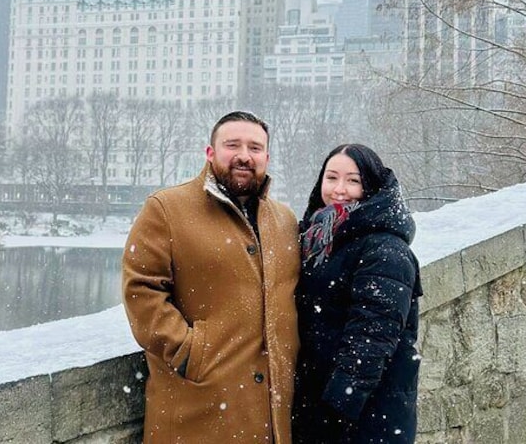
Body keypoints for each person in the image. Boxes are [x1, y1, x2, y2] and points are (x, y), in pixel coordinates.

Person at [122, 111, 301, 443]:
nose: (244, 156)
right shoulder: (167, 208)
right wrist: (191, 353)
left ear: (267, 157)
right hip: (197, 411)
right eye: (232, 145)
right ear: (210, 152)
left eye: (255, 148)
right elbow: (141, 291)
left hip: (272, 417)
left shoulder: (285, 221)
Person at [292, 144, 423, 444]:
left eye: (353, 180)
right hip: (321, 406)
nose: (340, 190)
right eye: (331, 178)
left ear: (372, 186)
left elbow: (371, 341)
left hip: (362, 419)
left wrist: (334, 413)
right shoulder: (317, 240)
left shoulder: (385, 250)